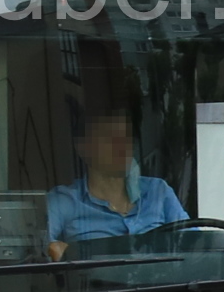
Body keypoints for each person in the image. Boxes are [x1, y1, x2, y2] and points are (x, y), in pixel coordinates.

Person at [46, 104, 187, 259]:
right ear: (83, 148)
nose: (121, 146)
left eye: (126, 137)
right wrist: (58, 250)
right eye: (110, 138)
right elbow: (38, 245)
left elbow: (192, 243)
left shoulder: (158, 191)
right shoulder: (65, 200)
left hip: (162, 275)